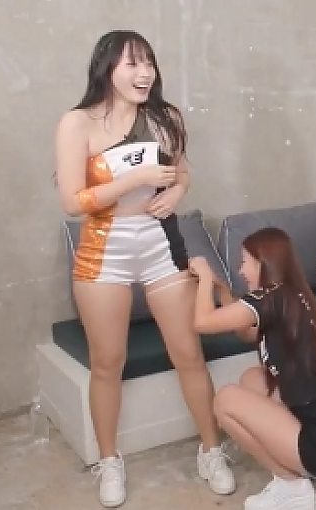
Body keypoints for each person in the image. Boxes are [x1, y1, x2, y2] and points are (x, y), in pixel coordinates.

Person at [53, 30, 234, 507]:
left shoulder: (165, 117)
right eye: (132, 63)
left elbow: (181, 173)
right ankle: (109, 461)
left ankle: (211, 450)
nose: (144, 72)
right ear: (106, 68)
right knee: (107, 362)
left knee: (188, 353)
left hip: (160, 245)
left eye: (149, 62)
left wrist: (176, 192)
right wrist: (134, 178)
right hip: (104, 251)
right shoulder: (77, 122)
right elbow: (72, 201)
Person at [189, 227, 316, 510]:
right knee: (252, 379)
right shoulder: (292, 294)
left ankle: (292, 487)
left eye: (245, 262)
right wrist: (224, 293)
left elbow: (202, 323)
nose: (241, 270)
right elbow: (247, 333)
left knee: (225, 402)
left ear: (263, 263)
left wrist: (205, 278)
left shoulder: (268, 297)